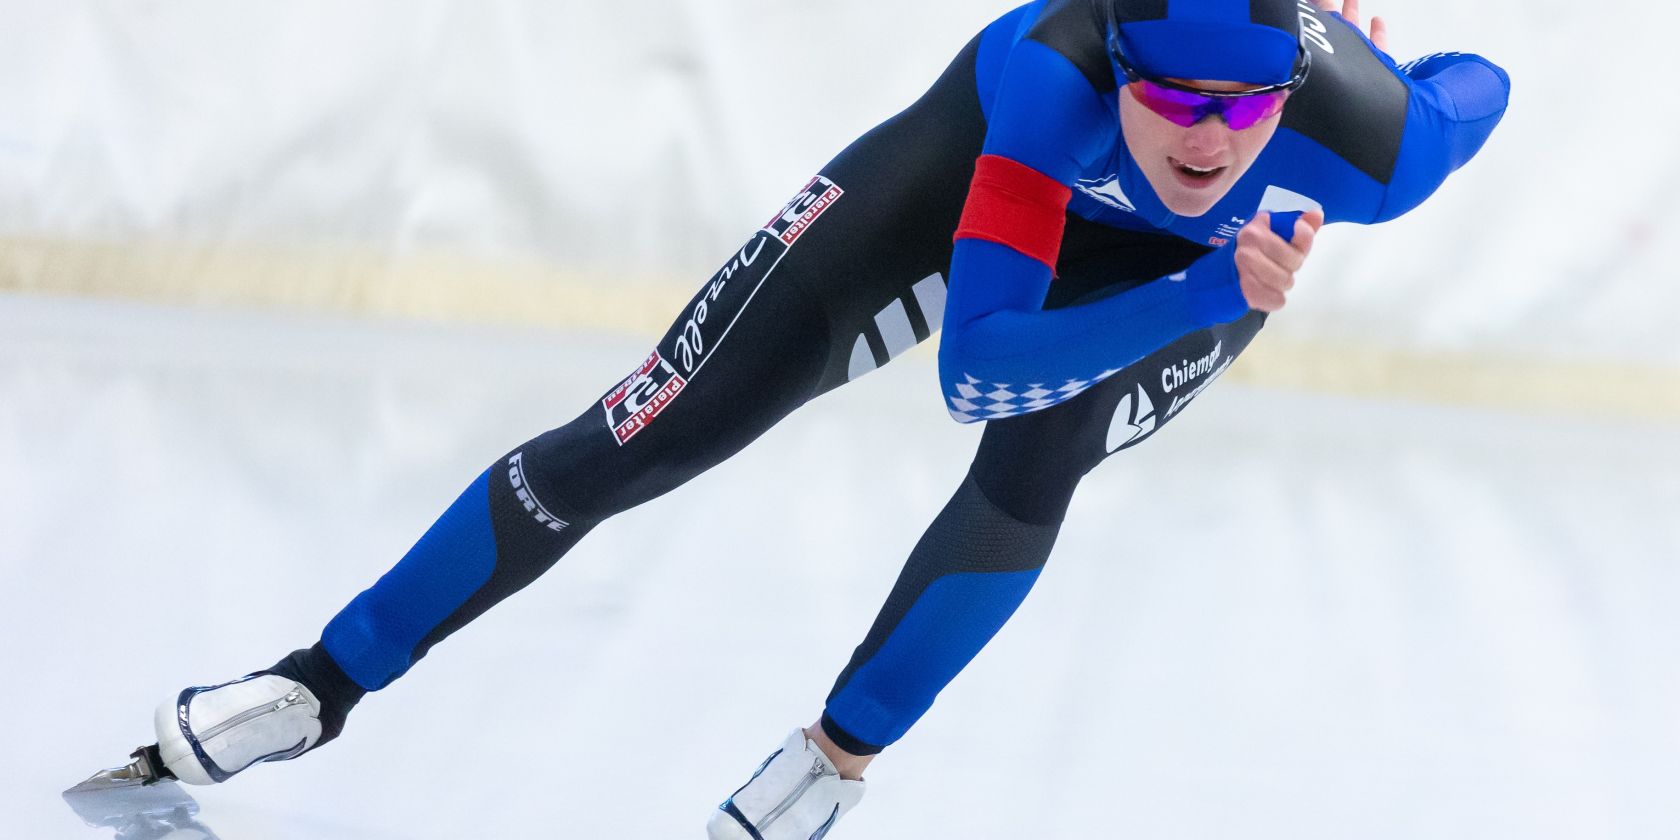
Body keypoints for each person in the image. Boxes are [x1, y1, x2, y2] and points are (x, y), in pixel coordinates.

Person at [122, 0, 1509, 836]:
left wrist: (1363, 67)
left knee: (1042, 464)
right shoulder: (1051, 73)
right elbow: (979, 366)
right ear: (1119, 62)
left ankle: (834, 764)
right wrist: (1211, 274)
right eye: (1172, 100)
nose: (1207, 141)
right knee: (643, 432)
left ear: (1295, 94)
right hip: (971, 185)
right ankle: (321, 681)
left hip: (1174, 273)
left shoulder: (1369, 140)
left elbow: (1476, 91)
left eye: (1246, 106)